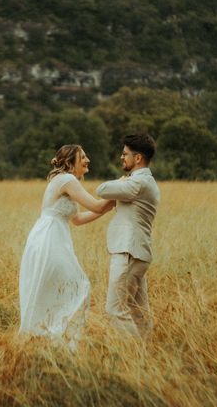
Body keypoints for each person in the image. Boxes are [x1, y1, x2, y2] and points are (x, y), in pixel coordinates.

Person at [19, 144, 115, 348]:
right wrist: (121, 193)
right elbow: (97, 205)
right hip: (50, 238)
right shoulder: (68, 180)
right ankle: (56, 339)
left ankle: (51, 340)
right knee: (78, 285)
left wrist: (110, 207)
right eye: (83, 157)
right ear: (71, 162)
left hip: (50, 235)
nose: (88, 160)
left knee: (59, 288)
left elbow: (78, 219)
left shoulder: (64, 180)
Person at [96, 133, 160, 340]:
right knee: (138, 312)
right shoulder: (144, 182)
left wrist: (121, 180)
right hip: (137, 253)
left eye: (125, 154)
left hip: (128, 252)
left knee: (115, 310)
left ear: (138, 158)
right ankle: (147, 358)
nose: (121, 158)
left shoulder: (137, 183)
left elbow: (102, 189)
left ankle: (132, 355)